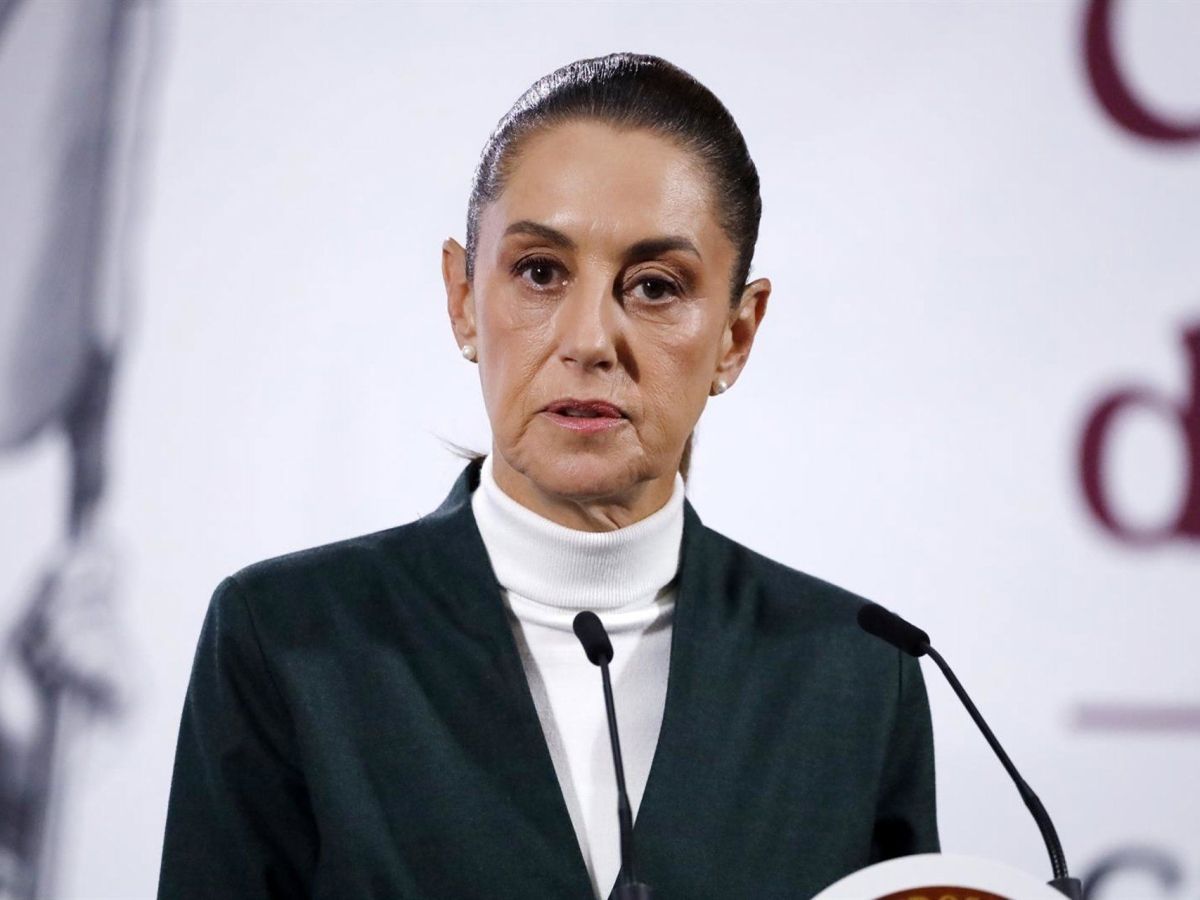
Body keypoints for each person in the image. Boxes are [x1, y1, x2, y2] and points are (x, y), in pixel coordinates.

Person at [157, 52, 938, 900]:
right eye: (540, 272)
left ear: (735, 336)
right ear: (462, 299)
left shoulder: (856, 675)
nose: (589, 340)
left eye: (655, 286)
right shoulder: (287, 641)